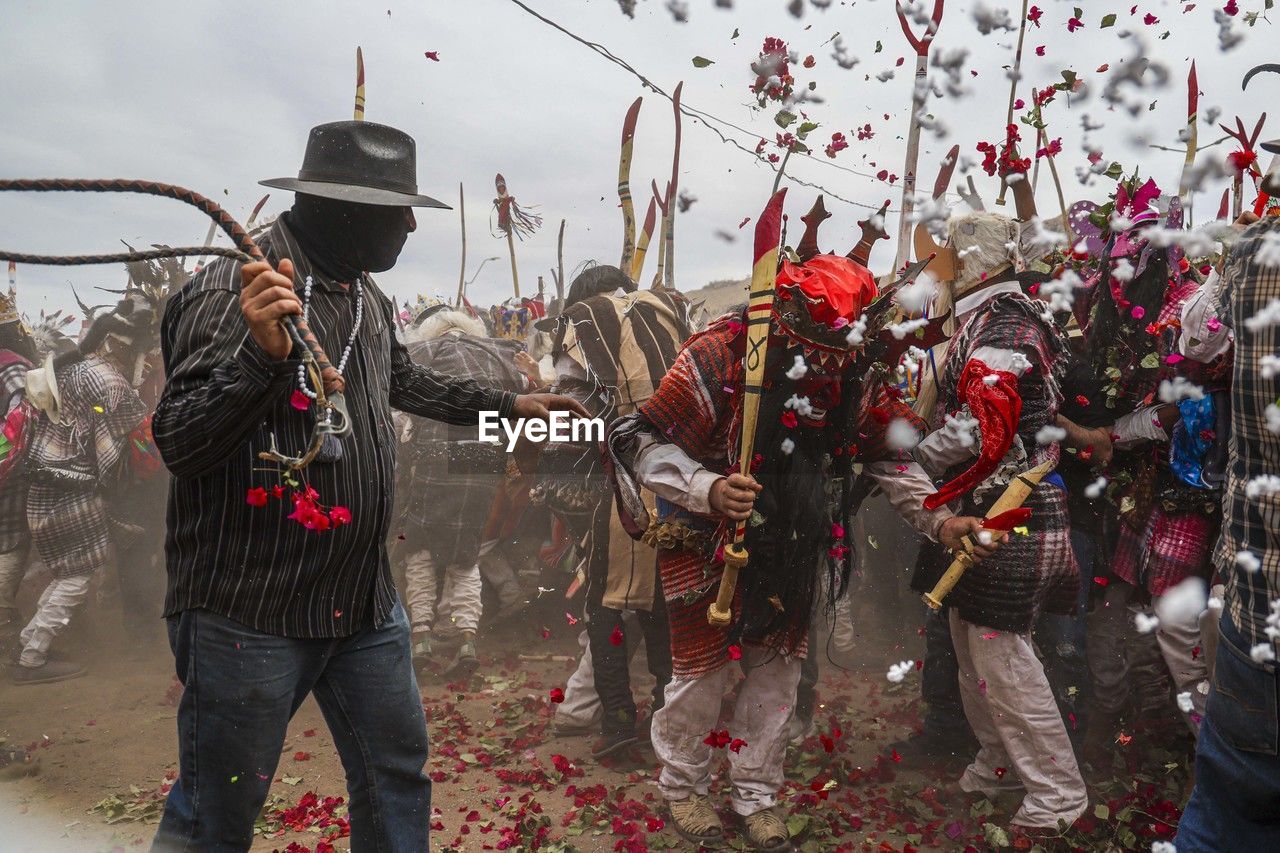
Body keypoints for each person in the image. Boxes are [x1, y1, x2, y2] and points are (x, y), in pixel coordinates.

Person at [149, 120, 585, 850]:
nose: (414, 224)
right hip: (250, 608)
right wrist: (260, 359)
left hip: (360, 601)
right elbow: (181, 441)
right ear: (341, 207)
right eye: (398, 210)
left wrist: (511, 404)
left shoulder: (367, 298)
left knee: (396, 771)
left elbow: (404, 380)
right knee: (214, 816)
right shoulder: (237, 290)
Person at [609, 227, 988, 850]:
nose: (827, 369)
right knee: (699, 676)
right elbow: (642, 441)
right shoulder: (720, 351)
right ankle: (684, 787)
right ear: (786, 323)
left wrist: (940, 519)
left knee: (777, 671)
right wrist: (707, 488)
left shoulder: (856, 363)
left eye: (840, 353)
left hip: (791, 539)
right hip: (703, 536)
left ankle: (755, 790)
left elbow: (888, 458)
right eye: (817, 352)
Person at [906, 210, 1088, 833]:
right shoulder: (990, 317)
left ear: (972, 261)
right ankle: (998, 764)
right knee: (969, 645)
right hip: (986, 510)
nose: (940, 273)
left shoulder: (1005, 324)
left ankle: (1059, 794)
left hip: (1015, 512)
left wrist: (909, 462)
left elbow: (981, 426)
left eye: (948, 259)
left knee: (1002, 655)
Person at [541, 264, 685, 760]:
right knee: (666, 605)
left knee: (606, 606)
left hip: (619, 479)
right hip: (684, 479)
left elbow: (570, 411)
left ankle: (621, 724)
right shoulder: (672, 309)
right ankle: (669, 721)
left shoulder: (582, 319)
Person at [1177, 212, 1280, 848]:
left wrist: (1233, 252)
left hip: (1261, 585)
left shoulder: (1258, 249)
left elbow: (1195, 340)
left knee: (1232, 812)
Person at [12, 301, 150, 684]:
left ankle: (28, 642)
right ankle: (32, 658)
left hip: (46, 485)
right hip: (72, 488)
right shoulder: (106, 380)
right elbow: (134, 428)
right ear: (120, 345)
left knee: (68, 573)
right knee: (78, 574)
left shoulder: (72, 365)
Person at [397, 304, 534, 679]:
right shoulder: (494, 356)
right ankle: (468, 640)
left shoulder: (421, 355)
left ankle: (421, 637)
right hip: (481, 466)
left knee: (420, 551)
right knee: (466, 554)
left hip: (432, 461)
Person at [0, 294, 37, 662]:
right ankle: (8, 640)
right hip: (10, 478)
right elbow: (20, 425)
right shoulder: (13, 369)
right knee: (10, 545)